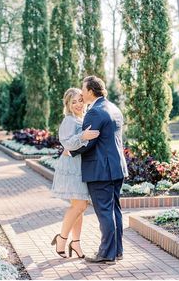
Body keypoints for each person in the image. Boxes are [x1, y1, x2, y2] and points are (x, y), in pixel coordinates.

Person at [68, 76, 128, 264]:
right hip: (117, 168)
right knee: (114, 210)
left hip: (101, 171)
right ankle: (117, 251)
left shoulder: (94, 112)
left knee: (104, 212)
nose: (82, 92)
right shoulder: (114, 108)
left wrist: (71, 149)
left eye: (83, 89)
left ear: (91, 91)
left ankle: (106, 254)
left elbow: (87, 142)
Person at [51, 88, 100, 258]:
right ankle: (62, 239)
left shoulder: (83, 118)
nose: (78, 104)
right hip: (71, 168)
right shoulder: (69, 121)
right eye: (74, 102)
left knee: (81, 206)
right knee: (79, 205)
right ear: (68, 105)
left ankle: (76, 243)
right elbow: (68, 144)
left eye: (80, 100)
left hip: (81, 166)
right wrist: (84, 136)